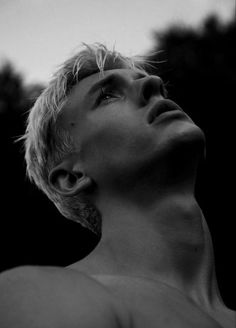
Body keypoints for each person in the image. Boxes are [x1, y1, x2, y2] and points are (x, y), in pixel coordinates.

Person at [0, 43, 235, 328]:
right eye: (108, 95)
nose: (153, 82)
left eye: (155, 85)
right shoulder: (40, 294)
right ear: (72, 177)